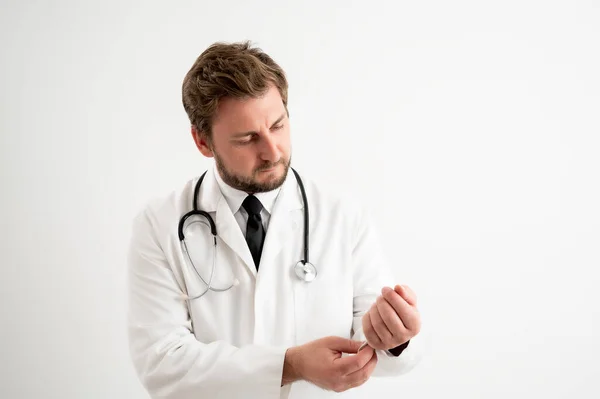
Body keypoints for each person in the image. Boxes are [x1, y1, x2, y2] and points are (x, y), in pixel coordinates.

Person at [127, 41, 423, 399]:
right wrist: (290, 364)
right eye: (247, 138)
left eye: (278, 125)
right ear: (203, 142)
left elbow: (383, 350)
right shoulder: (159, 225)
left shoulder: (343, 216)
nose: (272, 151)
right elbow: (161, 364)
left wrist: (394, 338)